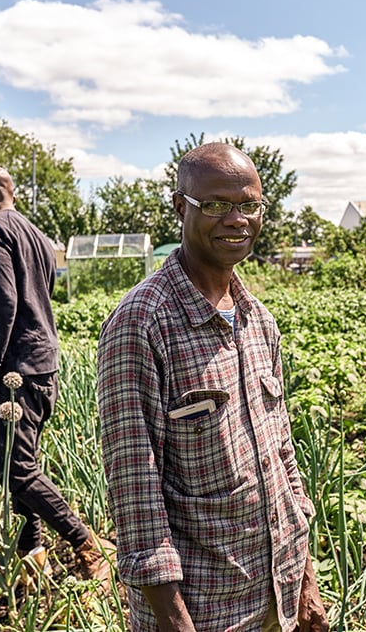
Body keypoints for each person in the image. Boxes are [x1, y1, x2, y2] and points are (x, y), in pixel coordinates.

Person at [96, 143, 329, 632]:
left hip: (276, 597)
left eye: (249, 205)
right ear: (181, 207)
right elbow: (134, 486)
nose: (236, 219)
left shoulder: (258, 320)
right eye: (217, 205)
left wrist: (305, 580)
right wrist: (173, 619)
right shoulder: (142, 322)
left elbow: (281, 457)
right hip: (203, 609)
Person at [0, 164, 114, 588]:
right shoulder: (39, 238)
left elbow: (6, 306)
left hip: (15, 371)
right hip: (44, 363)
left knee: (17, 472)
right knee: (19, 466)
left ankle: (86, 543)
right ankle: (32, 557)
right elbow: (34, 303)